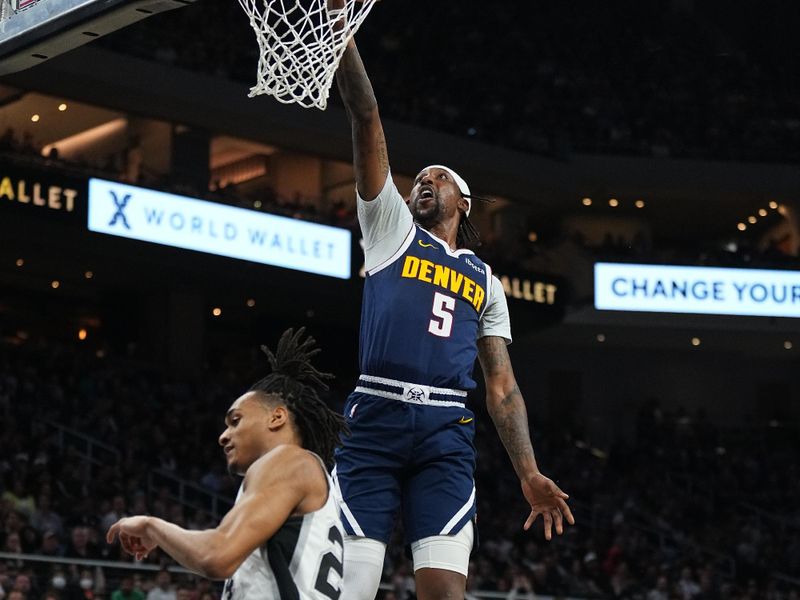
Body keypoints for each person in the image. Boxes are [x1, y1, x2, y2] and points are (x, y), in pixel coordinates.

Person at [332, 18, 576, 600]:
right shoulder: (390, 230)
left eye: (436, 178)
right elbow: (366, 117)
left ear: (461, 202)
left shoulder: (486, 280)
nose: (422, 183)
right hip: (375, 418)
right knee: (353, 586)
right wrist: (337, 32)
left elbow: (502, 388)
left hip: (446, 429)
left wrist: (529, 472)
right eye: (417, 178)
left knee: (444, 591)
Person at [107, 329, 349, 599]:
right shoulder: (302, 475)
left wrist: (151, 526)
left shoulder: (287, 460)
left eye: (235, 420)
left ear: (277, 417)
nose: (223, 436)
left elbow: (216, 556)